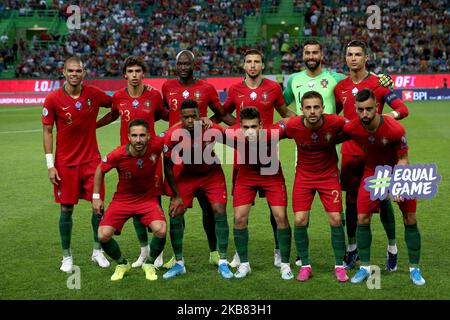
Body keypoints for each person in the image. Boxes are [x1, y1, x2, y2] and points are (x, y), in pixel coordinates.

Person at [335, 40, 410, 270]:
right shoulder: (340, 88)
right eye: (350, 54)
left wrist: (387, 118)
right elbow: (335, 118)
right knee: (350, 203)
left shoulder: (378, 83)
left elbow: (403, 110)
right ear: (345, 58)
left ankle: (392, 248)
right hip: (350, 154)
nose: (353, 58)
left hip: (376, 155)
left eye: (358, 54)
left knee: (383, 200)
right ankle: (352, 249)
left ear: (366, 57)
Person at [161, 50, 235, 269]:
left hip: (203, 152)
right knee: (177, 207)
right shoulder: (167, 87)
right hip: (177, 155)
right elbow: (165, 112)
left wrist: (241, 127)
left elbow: (220, 113)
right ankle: (177, 256)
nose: (183, 67)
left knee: (209, 208)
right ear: (176, 66)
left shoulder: (207, 88)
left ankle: (214, 252)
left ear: (194, 65)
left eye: (187, 63)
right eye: (180, 64)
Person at [222, 48, 296, 269]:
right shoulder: (234, 89)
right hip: (243, 159)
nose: (253, 65)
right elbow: (224, 113)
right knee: (240, 213)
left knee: (277, 212)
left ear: (263, 65)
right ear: (243, 65)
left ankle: (277, 251)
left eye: (257, 62)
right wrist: (240, 130)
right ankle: (239, 253)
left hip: (268, 157)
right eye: (249, 62)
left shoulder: (273, 87)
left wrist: (302, 121)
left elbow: (284, 112)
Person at [343, 89, 425, 286]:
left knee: (410, 217)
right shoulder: (352, 127)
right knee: (362, 217)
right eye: (360, 109)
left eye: (369, 109)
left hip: (399, 172)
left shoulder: (394, 128)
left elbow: (403, 159)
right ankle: (365, 267)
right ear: (355, 108)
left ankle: (415, 269)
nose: (365, 114)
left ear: (377, 108)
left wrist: (398, 185)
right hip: (373, 173)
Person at [96, 56, 168, 269]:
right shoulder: (118, 96)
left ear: (143, 74)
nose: (134, 75)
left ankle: (159, 251)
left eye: (138, 71)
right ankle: (144, 250)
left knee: (154, 199)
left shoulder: (154, 95)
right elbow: (112, 115)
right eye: (131, 71)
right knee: (134, 199)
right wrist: (93, 126)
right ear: (125, 75)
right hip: (126, 158)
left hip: (151, 156)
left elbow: (164, 114)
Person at [42, 56, 111, 273]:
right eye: (70, 71)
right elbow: (47, 131)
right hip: (65, 164)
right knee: (66, 209)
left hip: (92, 161)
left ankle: (97, 251)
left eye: (78, 71)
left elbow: (118, 104)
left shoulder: (94, 94)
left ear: (84, 72)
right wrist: (50, 165)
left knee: (97, 206)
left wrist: (97, 124)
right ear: (63, 72)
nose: (74, 74)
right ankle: (66, 256)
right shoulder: (53, 99)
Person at [92, 119, 171, 281]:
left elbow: (174, 128)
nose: (138, 139)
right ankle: (122, 263)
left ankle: (149, 263)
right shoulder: (118, 154)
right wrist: (96, 197)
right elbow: (100, 169)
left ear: (149, 136)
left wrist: (199, 121)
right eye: (134, 135)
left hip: (147, 200)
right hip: (122, 200)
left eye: (142, 135)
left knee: (161, 230)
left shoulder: (156, 146)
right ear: (128, 137)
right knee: (102, 235)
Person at [223, 107, 293, 280]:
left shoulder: (274, 132)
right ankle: (244, 264)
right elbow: (210, 129)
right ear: (240, 126)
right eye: (246, 127)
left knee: (281, 216)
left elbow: (293, 123)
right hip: (246, 176)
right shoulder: (232, 133)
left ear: (261, 125)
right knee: (239, 218)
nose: (250, 131)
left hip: (272, 175)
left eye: (254, 127)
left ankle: (285, 264)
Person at [285, 91, 347, 282]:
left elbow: (358, 128)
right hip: (304, 178)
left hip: (328, 177)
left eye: (316, 107)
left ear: (323, 108)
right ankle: (305, 265)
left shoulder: (336, 122)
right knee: (300, 220)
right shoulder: (293, 125)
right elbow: (270, 133)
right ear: (301, 110)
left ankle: (339, 266)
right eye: (308, 107)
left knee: (336, 219)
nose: (312, 111)